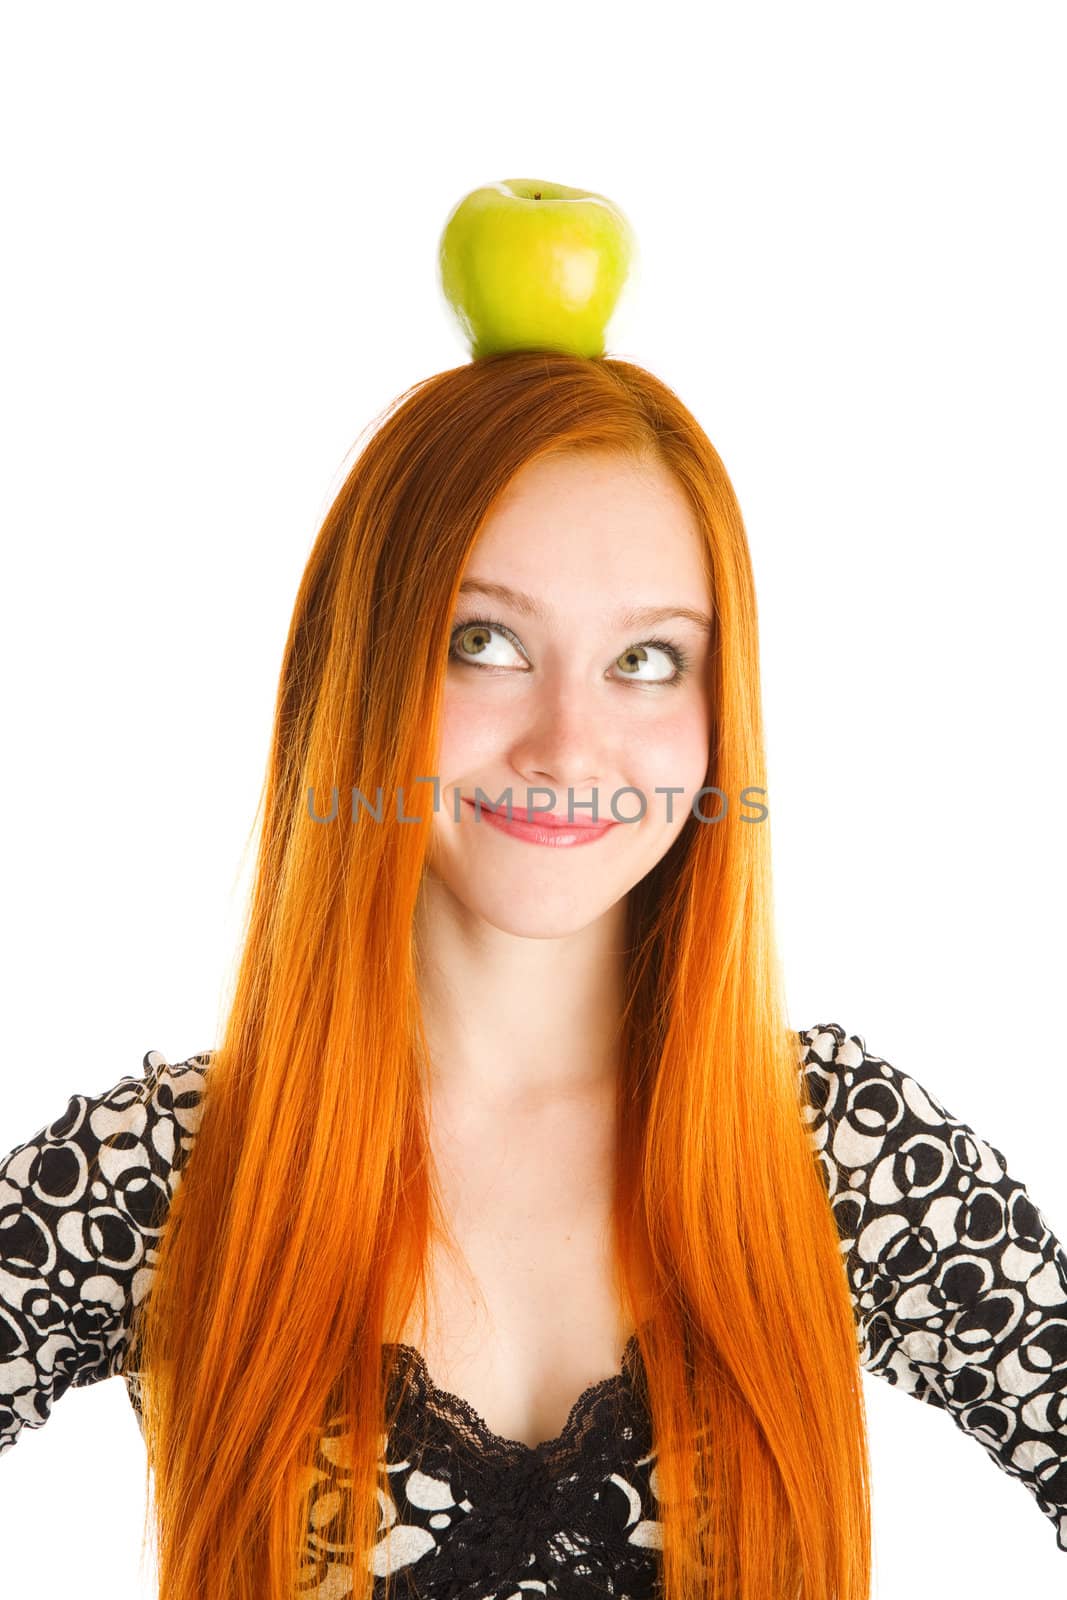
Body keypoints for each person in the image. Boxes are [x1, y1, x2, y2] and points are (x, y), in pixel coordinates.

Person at [3, 243, 1066, 1600]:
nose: (572, 738)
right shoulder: (168, 1173)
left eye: (647, 659)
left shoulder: (836, 1152)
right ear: (369, 667)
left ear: (715, 705)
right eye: (485, 641)